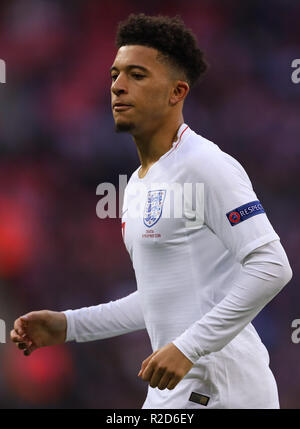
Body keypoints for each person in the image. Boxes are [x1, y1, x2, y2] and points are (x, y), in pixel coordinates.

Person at [11, 14, 292, 409]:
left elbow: (272, 266)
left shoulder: (205, 165)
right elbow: (161, 298)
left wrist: (188, 347)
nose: (118, 86)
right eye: (115, 75)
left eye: (137, 75)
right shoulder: (139, 185)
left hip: (223, 390)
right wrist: (70, 325)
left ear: (177, 92)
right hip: (176, 391)